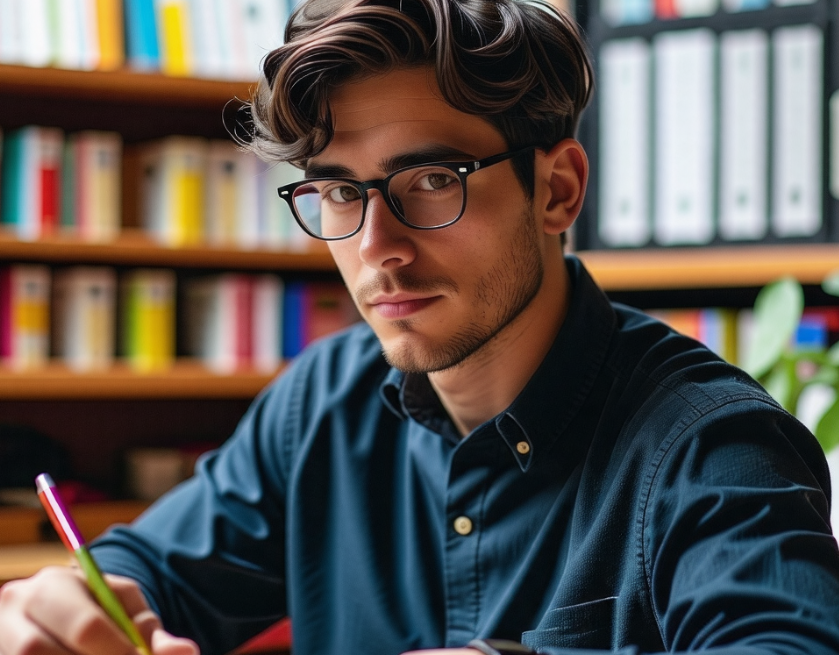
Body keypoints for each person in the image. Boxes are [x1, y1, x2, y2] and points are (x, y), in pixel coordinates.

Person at [2, 0, 839, 654]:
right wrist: (82, 600)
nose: (376, 249)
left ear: (557, 190)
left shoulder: (710, 443)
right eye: (338, 191)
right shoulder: (323, 399)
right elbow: (151, 572)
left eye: (431, 179)